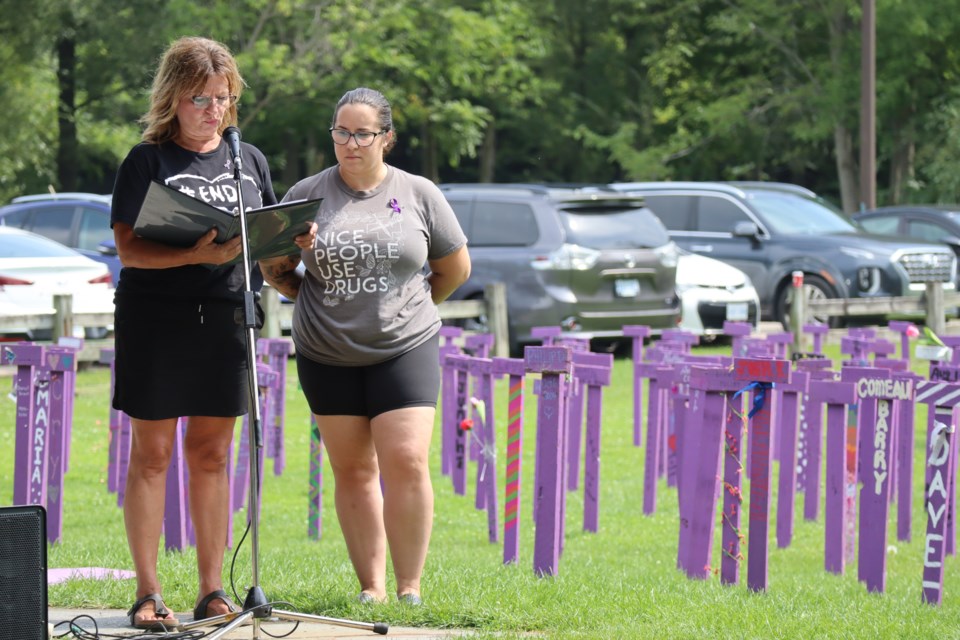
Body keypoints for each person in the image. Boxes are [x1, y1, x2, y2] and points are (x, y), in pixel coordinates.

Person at [110, 36, 314, 630]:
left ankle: (211, 590)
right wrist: (192, 256)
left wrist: (293, 249)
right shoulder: (146, 161)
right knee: (152, 456)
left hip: (228, 318)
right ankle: (147, 593)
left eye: (222, 98)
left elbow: (268, 249)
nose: (213, 110)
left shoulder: (245, 160)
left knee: (212, 454)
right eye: (200, 98)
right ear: (173, 97)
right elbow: (128, 248)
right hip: (157, 320)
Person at [260, 87, 471, 605]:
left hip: (405, 345)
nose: (350, 143)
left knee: (407, 460)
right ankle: (372, 587)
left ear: (386, 138)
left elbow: (454, 268)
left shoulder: (419, 192)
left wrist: (410, 304)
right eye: (341, 132)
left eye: (362, 133)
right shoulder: (306, 193)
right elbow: (276, 271)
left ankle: (410, 587)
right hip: (326, 351)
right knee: (353, 470)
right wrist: (310, 284)